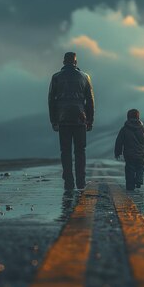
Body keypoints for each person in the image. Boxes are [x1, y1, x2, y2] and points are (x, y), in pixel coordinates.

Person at [48, 52, 95, 191]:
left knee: (65, 151)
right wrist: (90, 120)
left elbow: (51, 100)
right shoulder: (85, 77)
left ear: (63, 62)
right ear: (76, 62)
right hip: (80, 119)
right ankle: (81, 182)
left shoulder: (56, 77)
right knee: (80, 151)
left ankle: (68, 183)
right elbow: (90, 100)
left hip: (63, 119)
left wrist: (53, 120)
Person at [114, 109, 144, 190]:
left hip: (129, 155)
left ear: (128, 117)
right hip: (140, 154)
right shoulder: (143, 129)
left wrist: (117, 152)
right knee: (140, 167)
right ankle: (139, 180)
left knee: (129, 169)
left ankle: (130, 186)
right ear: (138, 117)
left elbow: (119, 141)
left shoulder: (124, 129)